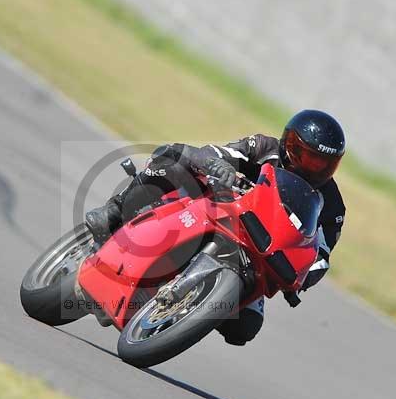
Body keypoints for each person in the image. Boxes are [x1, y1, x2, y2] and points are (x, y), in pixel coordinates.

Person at [85, 110, 346, 346]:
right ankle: (115, 211)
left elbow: (320, 254)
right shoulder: (265, 147)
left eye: (323, 163)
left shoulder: (333, 206)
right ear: (289, 145)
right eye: (308, 157)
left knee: (245, 328)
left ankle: (181, 315)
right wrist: (218, 165)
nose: (314, 167)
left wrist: (302, 278)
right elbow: (216, 153)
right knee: (176, 159)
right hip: (217, 208)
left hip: (256, 254)